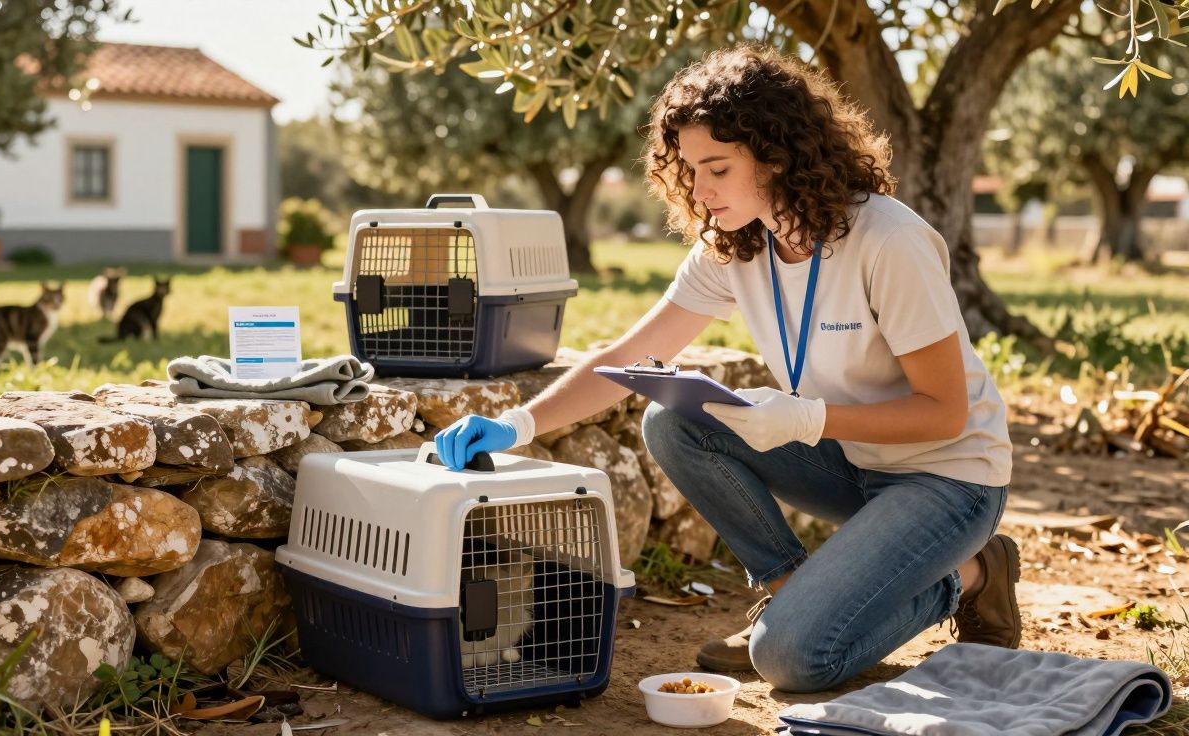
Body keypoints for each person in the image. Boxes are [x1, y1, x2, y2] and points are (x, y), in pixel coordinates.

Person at [433, 45, 1018, 694]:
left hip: (948, 476)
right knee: (673, 421)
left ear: (778, 153)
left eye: (717, 167)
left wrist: (806, 417)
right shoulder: (735, 245)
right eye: (689, 169)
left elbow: (946, 411)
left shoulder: (888, 240)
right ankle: (788, 591)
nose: (700, 190)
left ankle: (972, 574)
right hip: (853, 462)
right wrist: (517, 424)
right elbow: (630, 355)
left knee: (792, 660)